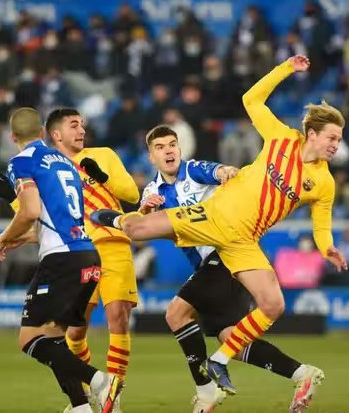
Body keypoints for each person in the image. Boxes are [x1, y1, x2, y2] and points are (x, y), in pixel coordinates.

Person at [91, 55, 348, 411]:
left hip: (241, 243)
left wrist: (328, 247)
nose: (337, 144)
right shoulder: (281, 138)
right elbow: (251, 100)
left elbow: (322, 222)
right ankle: (108, 218)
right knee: (137, 227)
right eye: (332, 137)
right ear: (313, 134)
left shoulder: (324, 182)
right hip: (214, 218)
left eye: (340, 139)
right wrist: (285, 69)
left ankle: (220, 365)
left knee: (271, 305)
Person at [139, 125, 326, 412]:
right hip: (211, 264)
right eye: (161, 147)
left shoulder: (193, 170)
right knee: (232, 341)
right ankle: (302, 374)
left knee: (176, 313)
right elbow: (146, 223)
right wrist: (146, 211)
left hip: (226, 250)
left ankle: (205, 392)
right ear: (151, 157)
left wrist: (225, 172)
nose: (169, 150)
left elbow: (216, 171)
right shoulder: (152, 191)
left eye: (172, 144)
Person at [0, 107, 117, 413]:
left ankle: (99, 380)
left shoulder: (21, 161)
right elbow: (58, 219)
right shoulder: (65, 163)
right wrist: (24, 238)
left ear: (12, 137)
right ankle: (80, 407)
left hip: (62, 260)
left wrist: (2, 238)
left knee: (29, 339)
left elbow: (30, 211)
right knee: (55, 338)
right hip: (86, 255)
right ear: (44, 133)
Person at [46, 108, 139, 412]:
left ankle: (114, 397)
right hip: (77, 252)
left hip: (113, 245)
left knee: (118, 317)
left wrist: (101, 175)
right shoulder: (49, 167)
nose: (81, 130)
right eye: (74, 125)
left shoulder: (104, 154)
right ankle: (86, 393)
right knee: (74, 331)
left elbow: (131, 194)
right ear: (56, 134)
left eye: (83, 125)